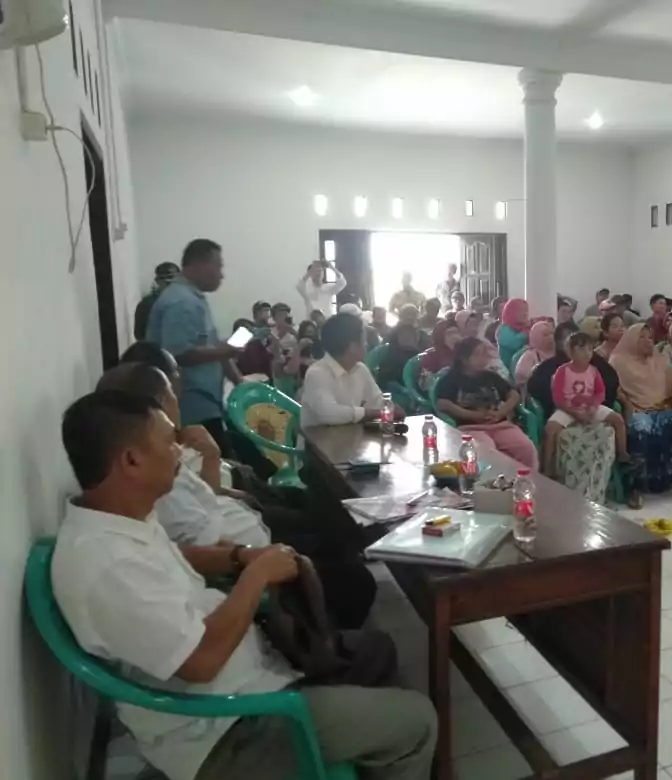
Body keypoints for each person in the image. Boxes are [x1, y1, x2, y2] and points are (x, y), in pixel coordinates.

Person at [53, 390, 436, 780]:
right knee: (418, 723)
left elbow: (175, 555)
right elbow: (202, 662)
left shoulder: (122, 522)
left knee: (375, 653)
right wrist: (257, 576)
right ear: (131, 460)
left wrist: (239, 556)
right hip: (228, 730)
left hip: (252, 678)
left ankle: (360, 749)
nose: (178, 452)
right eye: (168, 443)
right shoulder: (107, 564)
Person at [96, 361, 377, 628]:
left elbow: (200, 525)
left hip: (250, 543)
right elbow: (202, 651)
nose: (178, 401)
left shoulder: (148, 488)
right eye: (172, 395)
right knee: (353, 573)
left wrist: (242, 550)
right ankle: (322, 633)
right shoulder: (153, 492)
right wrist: (254, 564)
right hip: (255, 554)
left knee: (329, 524)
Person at [147, 238, 241, 456]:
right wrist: (223, 351)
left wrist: (238, 379)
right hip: (191, 404)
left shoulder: (193, 298)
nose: (221, 275)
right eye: (218, 266)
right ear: (198, 265)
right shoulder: (181, 302)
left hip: (206, 401)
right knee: (217, 463)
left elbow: (211, 345)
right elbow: (177, 354)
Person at [610, 324, 672, 508]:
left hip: (662, 408)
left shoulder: (659, 359)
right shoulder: (618, 362)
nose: (649, 341)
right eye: (642, 337)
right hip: (637, 410)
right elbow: (613, 388)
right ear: (631, 340)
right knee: (640, 431)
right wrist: (625, 402)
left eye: (650, 337)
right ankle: (635, 488)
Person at [434, 337, 539, 469]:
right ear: (464, 359)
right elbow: (443, 404)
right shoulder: (450, 380)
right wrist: (472, 415)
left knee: (525, 447)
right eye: (477, 354)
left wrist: (502, 411)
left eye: (485, 353)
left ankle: (526, 479)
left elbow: (513, 394)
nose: (484, 358)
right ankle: (491, 481)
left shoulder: (491, 376)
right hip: (470, 427)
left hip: (499, 424)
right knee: (486, 450)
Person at [543, 332, 631, 478]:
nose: (587, 353)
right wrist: (573, 412)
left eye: (590, 349)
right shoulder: (562, 371)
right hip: (568, 409)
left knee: (618, 420)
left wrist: (593, 406)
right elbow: (558, 398)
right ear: (570, 351)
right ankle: (547, 468)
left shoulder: (594, 371)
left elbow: (600, 392)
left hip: (590, 408)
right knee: (550, 429)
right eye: (581, 349)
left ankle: (622, 454)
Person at [300, 313, 401, 427]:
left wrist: (391, 407)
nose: (366, 345)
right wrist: (372, 413)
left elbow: (377, 401)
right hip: (317, 438)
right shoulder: (317, 373)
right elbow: (328, 413)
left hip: (350, 436)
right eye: (364, 340)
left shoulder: (360, 369)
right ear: (352, 346)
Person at [134, 262, 181, 340]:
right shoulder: (147, 304)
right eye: (167, 283)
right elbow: (140, 335)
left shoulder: (186, 302)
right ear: (157, 281)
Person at [418, 320, 461, 390]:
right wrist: (440, 375)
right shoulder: (431, 355)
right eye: (449, 334)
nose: (455, 337)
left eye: (456, 332)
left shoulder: (463, 352)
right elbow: (424, 385)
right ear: (440, 336)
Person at [513, 320, 555, 391]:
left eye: (552, 333)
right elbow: (521, 377)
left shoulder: (560, 353)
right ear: (536, 337)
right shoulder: (529, 356)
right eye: (545, 335)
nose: (550, 337)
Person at [497, 298, 531, 368]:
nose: (525, 314)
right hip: (507, 371)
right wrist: (526, 332)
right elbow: (514, 344)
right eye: (521, 311)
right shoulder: (504, 329)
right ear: (511, 312)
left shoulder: (528, 327)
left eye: (526, 311)